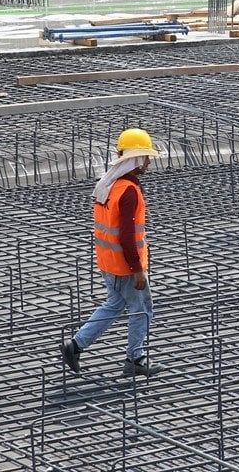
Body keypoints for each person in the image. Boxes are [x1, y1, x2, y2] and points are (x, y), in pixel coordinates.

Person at [61, 128, 161, 378]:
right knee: (142, 309)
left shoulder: (109, 184)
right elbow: (126, 236)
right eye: (146, 157)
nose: (149, 161)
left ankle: (75, 345)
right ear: (136, 159)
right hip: (126, 266)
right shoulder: (128, 191)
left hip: (108, 262)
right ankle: (135, 359)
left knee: (115, 305)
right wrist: (137, 270)